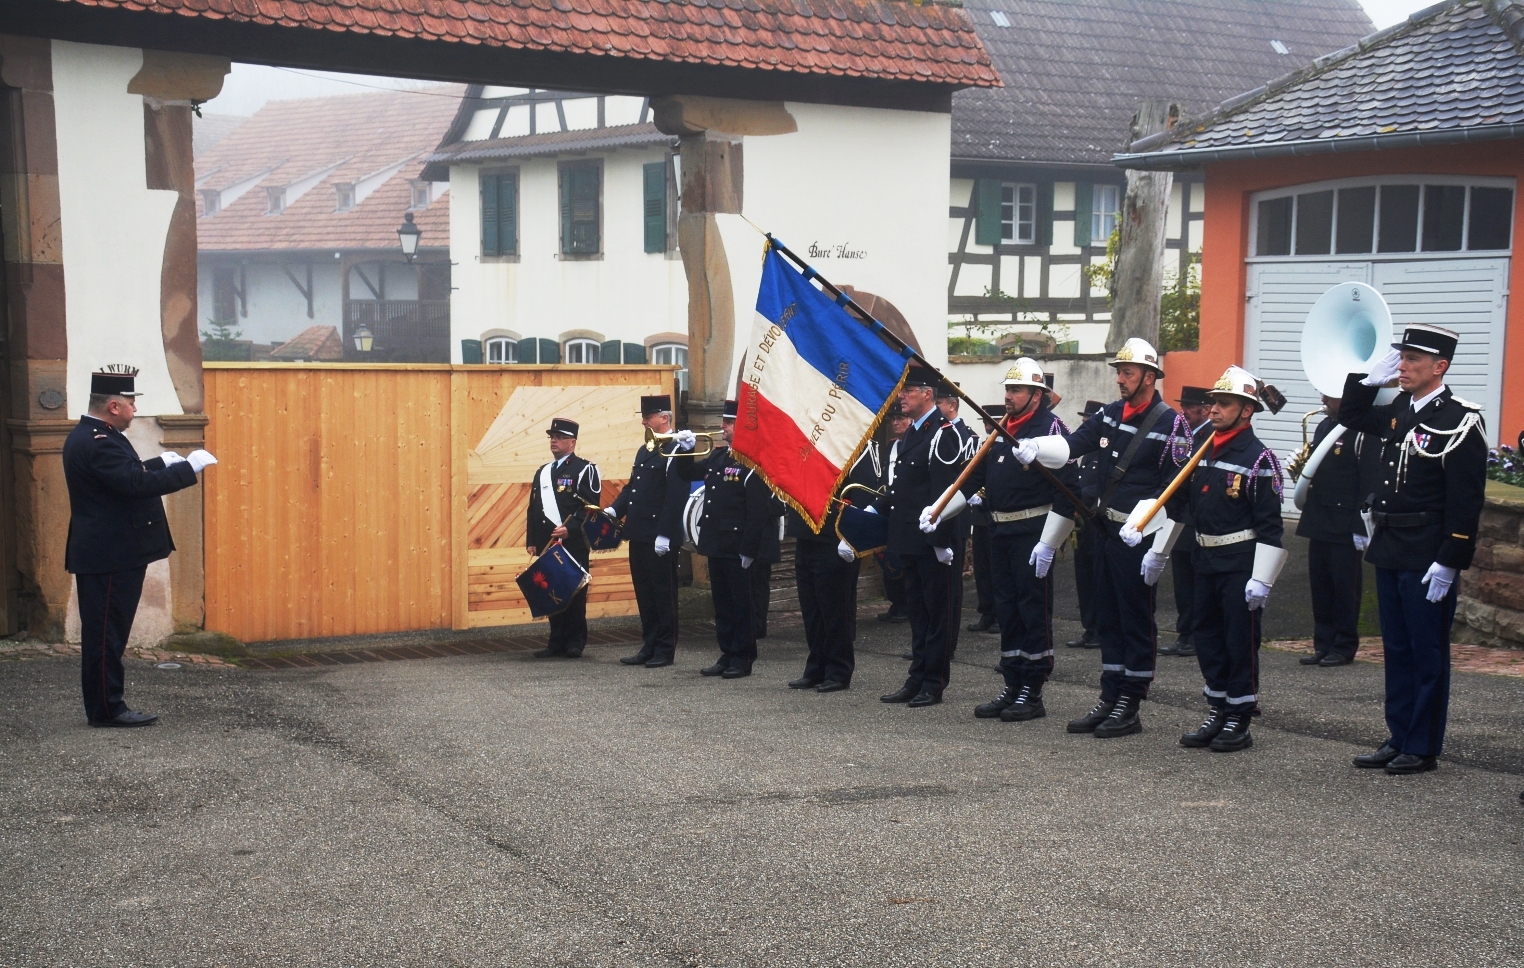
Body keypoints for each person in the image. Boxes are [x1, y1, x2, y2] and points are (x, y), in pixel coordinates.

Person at [1020, 338, 1192, 738]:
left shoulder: (1172, 424)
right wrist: (1037, 447)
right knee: (1107, 618)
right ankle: (1109, 695)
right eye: (1118, 371)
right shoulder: (1111, 413)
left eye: (1127, 372)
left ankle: (1130, 702)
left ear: (1150, 377)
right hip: (1102, 529)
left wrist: (1159, 548)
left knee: (1134, 618)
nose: (1120, 379)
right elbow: (1074, 444)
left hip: (1138, 534)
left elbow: (1177, 490)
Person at [1339, 325, 1487, 776]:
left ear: (1439, 367)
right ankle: (1398, 734)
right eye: (1401, 358)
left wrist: (1450, 559)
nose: (1402, 366)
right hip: (1391, 544)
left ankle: (1422, 745)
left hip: (1427, 551)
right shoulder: (1400, 409)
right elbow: (1351, 415)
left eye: (1413, 360)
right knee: (1396, 648)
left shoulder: (1460, 419)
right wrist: (1366, 380)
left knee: (1426, 651)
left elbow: (1466, 500)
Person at [63, 366, 215, 727]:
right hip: (110, 555)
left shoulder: (99, 434)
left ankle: (107, 705)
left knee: (108, 633)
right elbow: (134, 485)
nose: (134, 410)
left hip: (110, 553)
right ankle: (107, 709)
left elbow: (123, 475)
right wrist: (187, 470)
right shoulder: (98, 441)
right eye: (131, 403)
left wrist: (161, 462)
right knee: (106, 636)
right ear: (114, 406)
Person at [1148, 366, 1286, 752]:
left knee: (1239, 640)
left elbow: (1271, 526)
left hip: (1240, 561)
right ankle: (1218, 707)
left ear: (1246, 411)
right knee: (1207, 637)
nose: (1213, 410)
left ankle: (1239, 716)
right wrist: (1153, 537)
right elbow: (1178, 503)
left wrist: (1263, 578)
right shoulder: (1201, 447)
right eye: (1213, 403)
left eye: (1224, 404)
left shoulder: (1260, 458)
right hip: (1203, 558)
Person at [965, 359, 1079, 723]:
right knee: (1007, 609)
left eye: (1015, 390)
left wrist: (1050, 542)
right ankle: (1012, 682)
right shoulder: (1002, 430)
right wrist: (942, 507)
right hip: (1000, 531)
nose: (1008, 396)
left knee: (1033, 611)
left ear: (1036, 394)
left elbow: (1068, 491)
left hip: (1032, 532)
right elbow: (976, 476)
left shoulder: (1051, 428)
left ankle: (1033, 688)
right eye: (1008, 389)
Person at [874, 364, 970, 708]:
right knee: (918, 614)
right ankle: (916, 677)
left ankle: (934, 681)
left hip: (933, 543)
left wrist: (943, 540)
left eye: (908, 391)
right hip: (910, 539)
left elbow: (944, 492)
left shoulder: (943, 434)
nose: (901, 397)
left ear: (927, 394)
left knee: (938, 613)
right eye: (902, 390)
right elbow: (904, 490)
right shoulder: (913, 434)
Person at [675, 400, 772, 679]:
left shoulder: (752, 461)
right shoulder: (719, 457)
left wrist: (749, 549)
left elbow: (757, 511)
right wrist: (685, 449)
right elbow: (688, 474)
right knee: (723, 605)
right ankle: (726, 652)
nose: (722, 427)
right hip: (716, 543)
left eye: (728, 423)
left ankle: (743, 657)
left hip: (737, 545)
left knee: (742, 605)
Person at [789, 441, 881, 693]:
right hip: (807, 530)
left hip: (835, 534)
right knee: (812, 608)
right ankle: (816, 666)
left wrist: (852, 535)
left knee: (835, 608)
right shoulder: (810, 436)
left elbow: (863, 492)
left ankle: (839, 669)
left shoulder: (854, 438)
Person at [1297, 394, 1380, 667]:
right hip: (1319, 517)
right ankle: (1323, 643)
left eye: (1330, 396)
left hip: (1345, 522)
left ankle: (1343, 646)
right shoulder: (1323, 426)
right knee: (1320, 585)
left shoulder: (1361, 431)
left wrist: (1361, 526)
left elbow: (1368, 478)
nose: (1322, 399)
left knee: (1345, 588)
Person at [609, 395, 690, 669]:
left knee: (663, 593)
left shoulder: (677, 449)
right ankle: (650, 643)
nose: (644, 420)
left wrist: (665, 533)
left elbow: (675, 496)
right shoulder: (647, 448)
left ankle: (665, 648)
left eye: (649, 416)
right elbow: (633, 487)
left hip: (659, 535)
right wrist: (614, 510)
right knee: (644, 592)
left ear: (664, 417)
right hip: (640, 531)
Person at [526, 418, 602, 659]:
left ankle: (575, 641)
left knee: (575, 591)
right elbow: (533, 508)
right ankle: (555, 641)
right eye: (552, 437)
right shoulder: (543, 472)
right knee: (551, 590)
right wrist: (532, 540)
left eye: (559, 437)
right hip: (549, 542)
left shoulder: (584, 469)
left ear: (572, 442)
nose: (554, 441)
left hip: (573, 542)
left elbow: (591, 508)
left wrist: (571, 529)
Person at [1160, 386, 1213, 658]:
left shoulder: (1209, 436)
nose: (1185, 411)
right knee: (1182, 581)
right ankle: (1184, 633)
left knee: (1196, 583)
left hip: (1197, 518)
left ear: (1205, 409)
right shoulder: (1185, 434)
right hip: (1181, 517)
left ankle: (1195, 635)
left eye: (1190, 406)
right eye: (1184, 405)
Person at [1067, 400, 1105, 650]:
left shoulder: (1105, 450)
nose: (1084, 424)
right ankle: (1088, 627)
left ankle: (1100, 629)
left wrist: (1077, 497)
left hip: (1095, 519)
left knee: (1097, 576)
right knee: (1083, 577)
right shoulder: (1088, 452)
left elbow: (1097, 485)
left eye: (1087, 421)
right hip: (1081, 518)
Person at [966, 403, 1006, 635]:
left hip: (998, 515)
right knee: (982, 568)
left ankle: (1001, 615)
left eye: (993, 424)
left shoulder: (1006, 447)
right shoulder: (983, 447)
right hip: (981, 517)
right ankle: (987, 612)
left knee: (997, 570)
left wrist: (984, 496)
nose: (989, 428)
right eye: (986, 424)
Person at [876, 404, 912, 627]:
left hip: (904, 507)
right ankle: (896, 601)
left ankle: (906, 603)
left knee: (902, 557)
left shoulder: (912, 444)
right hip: (888, 506)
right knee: (887, 557)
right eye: (893, 419)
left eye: (900, 418)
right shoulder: (891, 448)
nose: (896, 423)